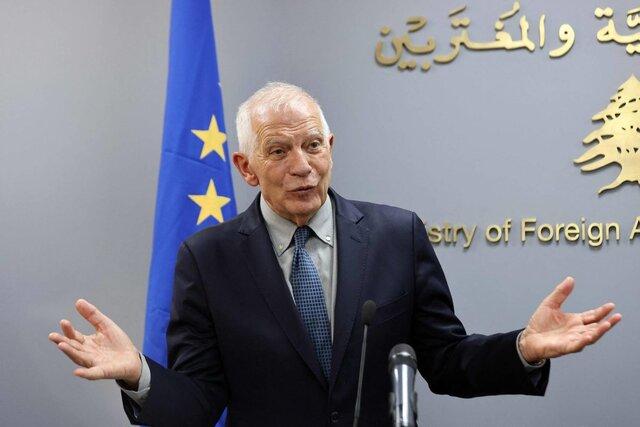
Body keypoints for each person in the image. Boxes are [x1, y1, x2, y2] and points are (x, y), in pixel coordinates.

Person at [49, 82, 622, 426]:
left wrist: (523, 348)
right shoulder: (209, 259)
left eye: (313, 145)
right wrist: (139, 375)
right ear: (246, 168)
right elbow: (199, 403)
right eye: (279, 151)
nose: (303, 166)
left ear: (331, 147)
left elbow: (447, 361)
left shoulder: (397, 235)